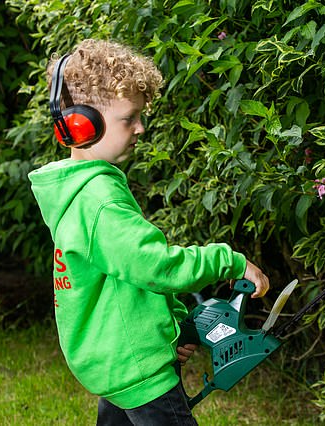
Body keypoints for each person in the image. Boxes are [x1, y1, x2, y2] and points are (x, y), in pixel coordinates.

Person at [28, 39, 270, 425]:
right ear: (80, 123)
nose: (141, 127)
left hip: (115, 361)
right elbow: (154, 265)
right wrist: (230, 260)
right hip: (135, 367)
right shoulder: (100, 200)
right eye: (129, 118)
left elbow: (125, 281)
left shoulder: (79, 191)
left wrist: (174, 327)